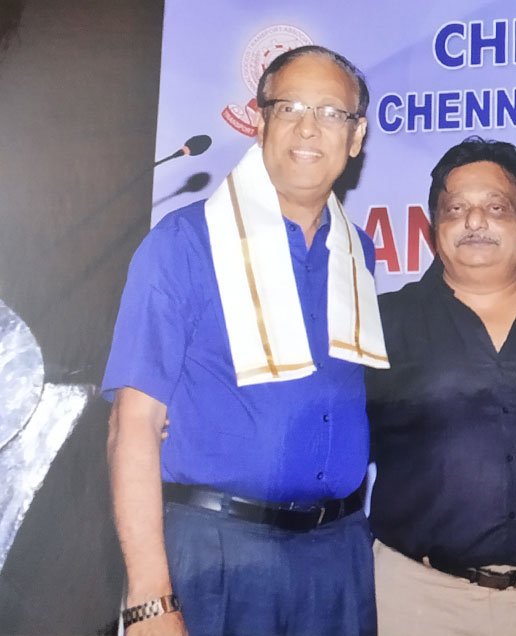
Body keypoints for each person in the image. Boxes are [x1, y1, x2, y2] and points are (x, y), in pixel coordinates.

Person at [103, 45, 386, 635]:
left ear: (356, 136)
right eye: (290, 108)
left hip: (336, 559)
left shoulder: (357, 252)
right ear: (260, 122)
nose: (308, 128)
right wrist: (149, 598)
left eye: (331, 112)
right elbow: (134, 422)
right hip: (216, 554)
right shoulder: (185, 242)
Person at [366, 136, 516, 636]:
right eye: (456, 208)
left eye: (495, 207)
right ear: (434, 227)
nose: (474, 221)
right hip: (422, 600)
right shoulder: (386, 323)